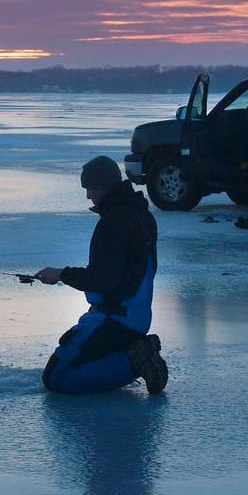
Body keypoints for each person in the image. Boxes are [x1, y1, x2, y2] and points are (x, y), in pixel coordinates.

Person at [36, 156, 168, 394]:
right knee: (77, 358)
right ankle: (130, 353)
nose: (88, 196)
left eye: (90, 189)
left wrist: (61, 274)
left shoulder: (114, 222)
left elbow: (103, 279)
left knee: (56, 377)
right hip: (135, 316)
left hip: (116, 319)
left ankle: (136, 361)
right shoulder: (141, 215)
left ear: (103, 186)